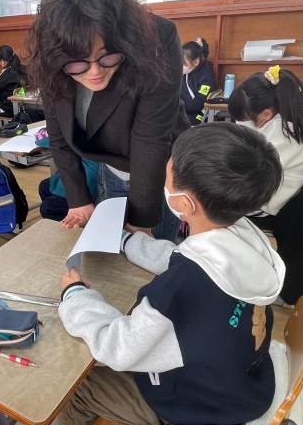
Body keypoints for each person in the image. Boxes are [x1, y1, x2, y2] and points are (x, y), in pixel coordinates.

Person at [56, 122, 285, 425]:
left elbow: (117, 347)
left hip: (196, 408)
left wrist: (75, 297)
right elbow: (183, 257)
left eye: (168, 171)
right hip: (241, 383)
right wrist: (127, 240)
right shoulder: (247, 237)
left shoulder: (176, 294)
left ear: (185, 203)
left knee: (76, 388)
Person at [26, 0, 190, 241]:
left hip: (160, 171)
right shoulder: (52, 47)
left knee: (152, 257)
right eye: (77, 62)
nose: (94, 72)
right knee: (112, 251)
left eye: (106, 56)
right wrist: (78, 198)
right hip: (110, 164)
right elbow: (59, 136)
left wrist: (142, 222)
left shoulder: (157, 37)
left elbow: (150, 140)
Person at [229, 65, 303, 229]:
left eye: (245, 118)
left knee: (205, 199)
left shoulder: (284, 136)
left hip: (269, 205)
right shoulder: (298, 114)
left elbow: (251, 177)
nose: (242, 123)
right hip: (279, 192)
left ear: (266, 114)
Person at [181, 37, 216, 125]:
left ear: (196, 62)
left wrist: (174, 105)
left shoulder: (207, 78)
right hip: (181, 111)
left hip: (197, 115)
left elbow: (197, 104)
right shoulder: (184, 72)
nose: (180, 66)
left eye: (184, 63)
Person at [0, 45, 27, 118]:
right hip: (22, 107)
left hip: (7, 109)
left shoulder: (7, 72)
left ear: (2, 61)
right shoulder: (24, 68)